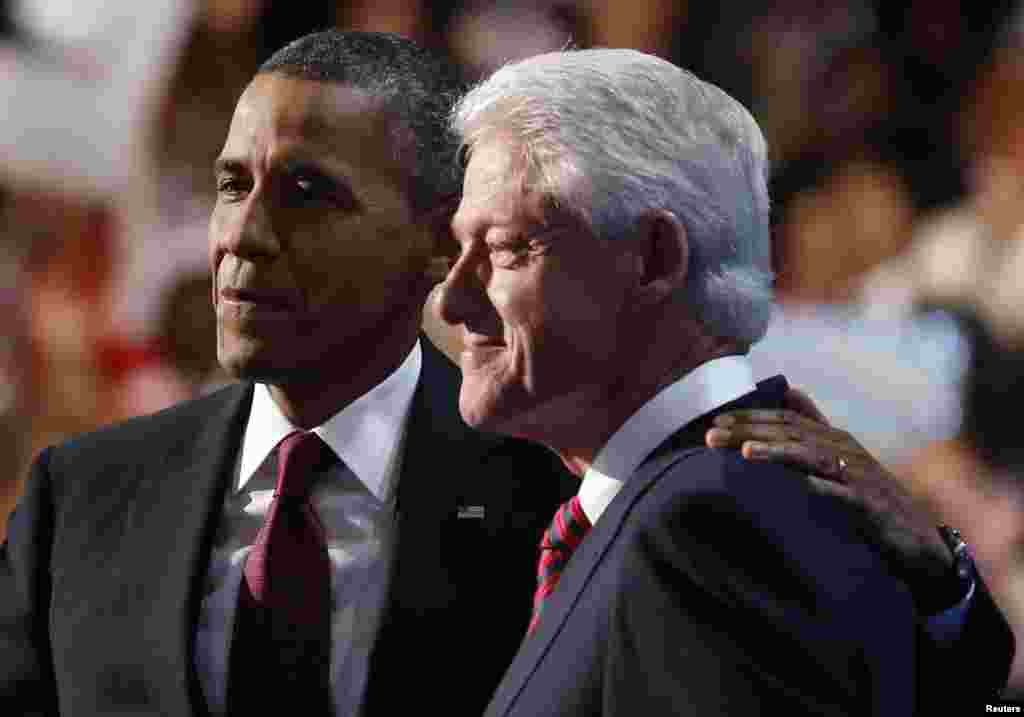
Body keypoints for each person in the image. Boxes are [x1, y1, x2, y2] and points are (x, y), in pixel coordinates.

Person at [0, 31, 574, 717]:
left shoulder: (553, 507)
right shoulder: (79, 498)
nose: (242, 233)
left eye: (306, 192)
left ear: (440, 240)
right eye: (232, 185)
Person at [436, 48, 1013, 715]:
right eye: (457, 250)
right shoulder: (709, 501)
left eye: (505, 249)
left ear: (653, 259)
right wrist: (947, 591)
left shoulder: (701, 522)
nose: (452, 299)